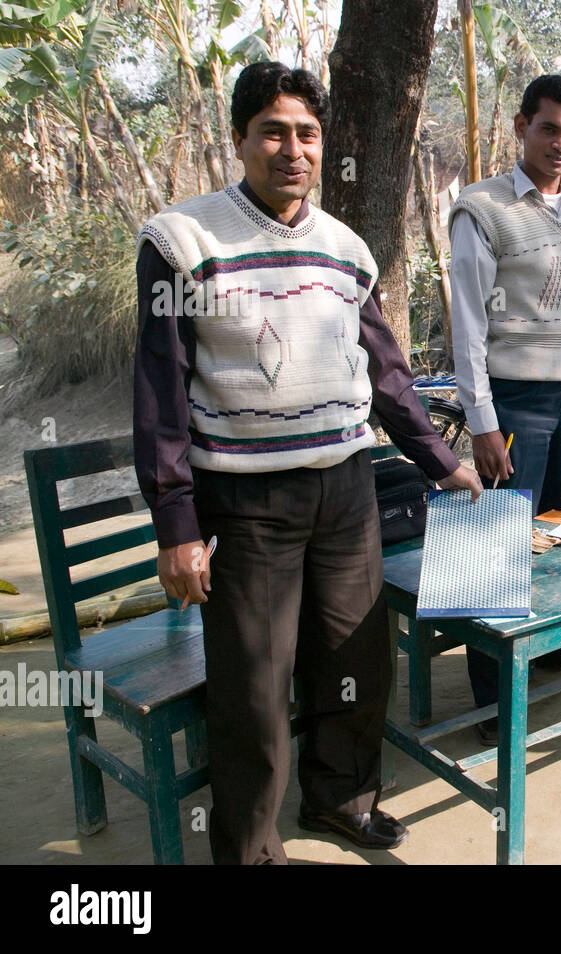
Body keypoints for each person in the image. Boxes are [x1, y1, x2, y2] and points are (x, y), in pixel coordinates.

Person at [134, 62, 482, 864]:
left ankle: (340, 800)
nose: (293, 151)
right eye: (274, 132)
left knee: (355, 658)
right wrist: (176, 524)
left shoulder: (345, 249)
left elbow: (388, 374)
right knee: (254, 688)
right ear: (241, 138)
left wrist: (440, 462)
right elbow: (158, 393)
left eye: (308, 135)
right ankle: (250, 847)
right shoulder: (182, 241)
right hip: (245, 506)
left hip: (346, 491)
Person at [448, 74, 561, 742]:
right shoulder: (481, 209)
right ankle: (492, 698)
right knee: (495, 545)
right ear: (522, 126)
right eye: (549, 129)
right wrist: (484, 421)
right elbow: (466, 325)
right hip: (514, 402)